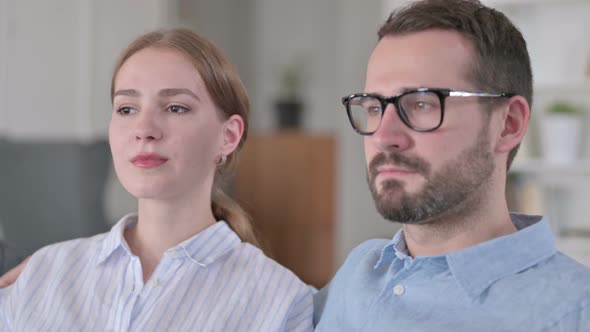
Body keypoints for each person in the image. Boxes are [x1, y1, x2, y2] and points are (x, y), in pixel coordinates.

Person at [0, 28, 313, 331]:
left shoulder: (282, 301)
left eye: (176, 107)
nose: (144, 128)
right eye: (126, 108)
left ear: (228, 136)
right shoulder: (43, 273)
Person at [313, 0, 590, 331]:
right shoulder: (359, 271)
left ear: (508, 124)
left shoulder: (575, 311)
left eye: (421, 104)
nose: (384, 136)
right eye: (373, 107)